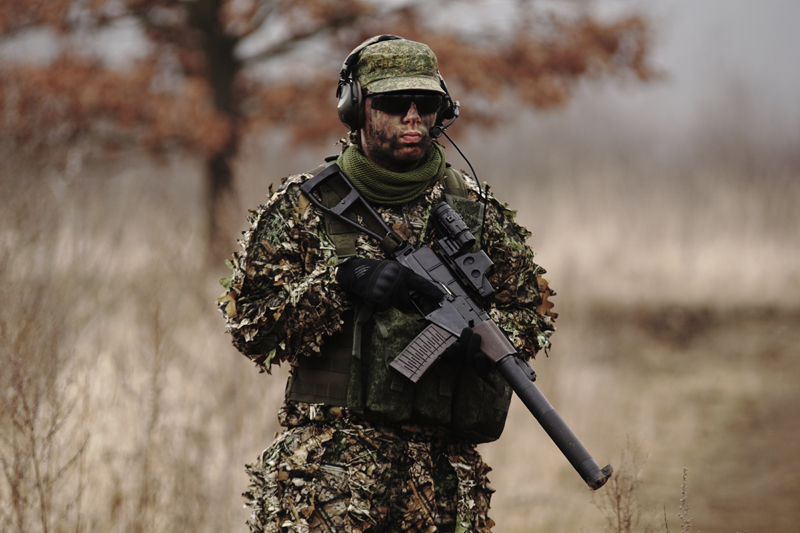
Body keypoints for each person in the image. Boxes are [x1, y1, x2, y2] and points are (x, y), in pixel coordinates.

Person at [217, 35, 557, 533]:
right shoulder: (305, 207)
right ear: (357, 108)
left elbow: (534, 310)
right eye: (397, 103)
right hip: (327, 480)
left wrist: (483, 342)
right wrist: (340, 282)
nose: (414, 117)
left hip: (442, 483)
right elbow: (248, 326)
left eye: (428, 104)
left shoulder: (476, 212)